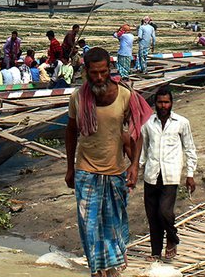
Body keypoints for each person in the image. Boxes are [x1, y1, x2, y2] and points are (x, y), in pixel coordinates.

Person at [65, 47, 151, 277]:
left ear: (110, 69)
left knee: (114, 223)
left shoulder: (126, 95)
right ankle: (97, 270)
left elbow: (138, 132)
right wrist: (69, 168)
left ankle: (111, 268)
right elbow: (71, 132)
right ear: (86, 72)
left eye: (103, 72)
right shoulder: (78, 97)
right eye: (94, 73)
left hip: (115, 170)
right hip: (85, 169)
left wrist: (134, 165)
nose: (99, 77)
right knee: (89, 225)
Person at [139, 88, 198, 261]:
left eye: (166, 102)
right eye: (160, 102)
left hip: (170, 175)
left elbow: (190, 148)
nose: (163, 105)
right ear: (155, 103)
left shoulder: (181, 122)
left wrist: (190, 174)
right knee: (152, 216)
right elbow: (144, 149)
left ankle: (173, 238)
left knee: (164, 212)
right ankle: (155, 252)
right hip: (151, 174)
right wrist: (136, 168)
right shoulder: (148, 124)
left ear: (171, 103)